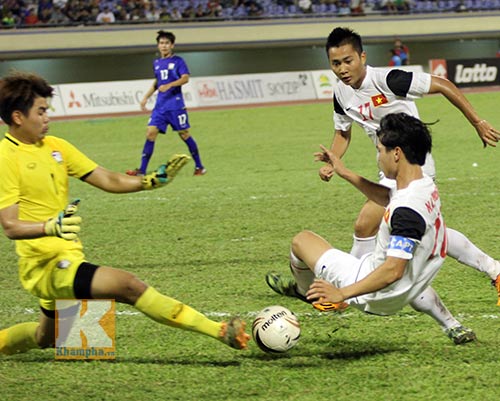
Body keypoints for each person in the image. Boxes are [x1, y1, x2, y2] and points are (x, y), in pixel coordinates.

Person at [0, 71, 249, 356]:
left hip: (69, 255)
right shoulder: (6, 158)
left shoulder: (56, 147)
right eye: (41, 111)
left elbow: (107, 179)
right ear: (18, 117)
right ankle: (219, 330)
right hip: (45, 267)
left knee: (47, 337)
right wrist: (50, 227)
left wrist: (149, 181)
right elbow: (10, 225)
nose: (47, 117)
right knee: (129, 285)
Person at [317, 27, 500, 304]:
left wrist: (477, 122)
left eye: (348, 61)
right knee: (431, 231)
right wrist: (333, 159)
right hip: (389, 165)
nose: (342, 68)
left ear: (362, 57)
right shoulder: (341, 93)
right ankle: (495, 269)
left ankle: (346, 289)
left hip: (414, 161)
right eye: (336, 63)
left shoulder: (388, 79)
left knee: (366, 221)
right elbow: (343, 132)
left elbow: (442, 84)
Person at [267, 113, 476, 344]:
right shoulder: (423, 185)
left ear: (396, 153)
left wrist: (342, 293)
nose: (378, 158)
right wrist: (345, 172)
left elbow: (392, 271)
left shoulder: (406, 212)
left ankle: (304, 292)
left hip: (375, 292)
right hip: (412, 286)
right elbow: (388, 197)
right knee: (400, 262)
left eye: (379, 150)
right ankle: (451, 325)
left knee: (302, 241)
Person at [126, 30, 206, 177]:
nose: (164, 46)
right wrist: (146, 97)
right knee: (150, 133)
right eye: (161, 43)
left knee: (184, 134)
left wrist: (170, 85)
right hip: (160, 107)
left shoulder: (178, 61)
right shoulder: (156, 63)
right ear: (158, 45)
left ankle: (200, 166)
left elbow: (185, 78)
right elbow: (157, 82)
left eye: (167, 43)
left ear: (172, 45)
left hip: (175, 106)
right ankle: (142, 170)